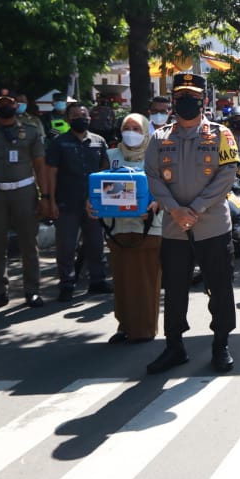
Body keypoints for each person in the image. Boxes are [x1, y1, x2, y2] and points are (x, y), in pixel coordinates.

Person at [143, 73, 240, 374]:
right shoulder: (160, 138)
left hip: (212, 226)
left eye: (193, 97)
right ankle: (174, 346)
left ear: (203, 101)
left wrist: (195, 208)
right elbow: (153, 177)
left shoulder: (222, 134)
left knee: (219, 287)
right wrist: (175, 210)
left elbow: (227, 176)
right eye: (181, 97)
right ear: (173, 101)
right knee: (173, 289)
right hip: (174, 228)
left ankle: (220, 343)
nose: (186, 102)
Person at [0, 89, 46, 312]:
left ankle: (32, 290)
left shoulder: (31, 131)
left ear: (16, 105)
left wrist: (46, 196)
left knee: (28, 244)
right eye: (0, 103)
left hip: (24, 191)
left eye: (10, 102)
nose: (6, 106)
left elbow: (40, 166)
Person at [102, 113, 162, 343]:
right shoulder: (111, 155)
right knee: (123, 279)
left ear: (146, 131)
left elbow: (165, 185)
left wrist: (156, 205)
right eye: (127, 127)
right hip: (117, 227)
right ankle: (124, 326)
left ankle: (144, 329)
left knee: (146, 280)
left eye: (136, 128)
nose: (131, 132)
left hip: (148, 227)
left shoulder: (155, 155)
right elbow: (100, 185)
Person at [44, 102, 112, 302]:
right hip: (66, 202)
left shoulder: (99, 142)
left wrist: (104, 200)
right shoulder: (59, 143)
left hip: (93, 203)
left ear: (90, 119)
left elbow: (105, 170)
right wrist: (49, 200)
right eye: (75, 116)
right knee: (66, 246)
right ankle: (67, 284)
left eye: (83, 115)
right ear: (68, 120)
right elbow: (51, 173)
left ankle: (97, 281)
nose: (80, 119)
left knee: (96, 244)